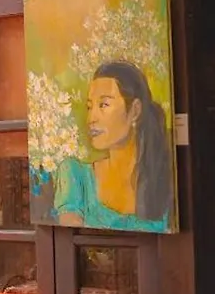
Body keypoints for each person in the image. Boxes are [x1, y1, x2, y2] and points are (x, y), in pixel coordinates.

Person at [50, 61, 173, 232]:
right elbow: (71, 238)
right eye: (89, 107)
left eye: (104, 105)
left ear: (135, 111)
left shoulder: (163, 178)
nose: (91, 118)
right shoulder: (75, 176)